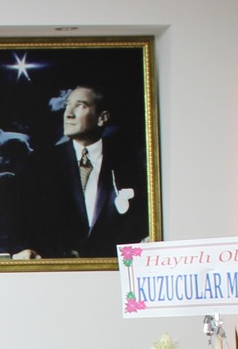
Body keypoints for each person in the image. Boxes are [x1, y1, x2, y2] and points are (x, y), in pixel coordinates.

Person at [10, 85, 149, 261]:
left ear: (102, 118)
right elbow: (20, 222)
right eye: (67, 105)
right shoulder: (39, 164)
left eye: (80, 106)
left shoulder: (129, 164)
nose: (68, 114)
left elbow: (143, 220)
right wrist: (21, 250)